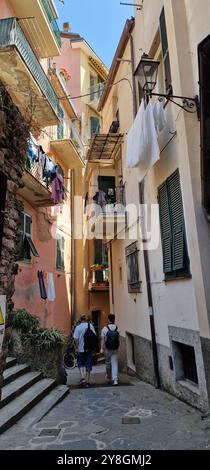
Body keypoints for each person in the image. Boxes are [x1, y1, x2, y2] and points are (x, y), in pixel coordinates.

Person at [73, 314, 96, 387]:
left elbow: (76, 339)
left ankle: (82, 378)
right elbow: (94, 336)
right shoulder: (90, 326)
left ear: (80, 320)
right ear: (86, 319)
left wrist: (77, 347)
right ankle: (87, 381)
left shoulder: (78, 327)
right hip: (89, 349)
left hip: (81, 349)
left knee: (80, 363)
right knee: (88, 364)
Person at [100, 314, 120, 386]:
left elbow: (102, 339)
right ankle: (115, 380)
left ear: (108, 319)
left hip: (107, 348)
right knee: (115, 363)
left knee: (108, 363)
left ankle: (108, 376)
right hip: (115, 348)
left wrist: (101, 348)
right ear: (114, 319)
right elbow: (118, 339)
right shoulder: (117, 328)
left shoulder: (105, 329)